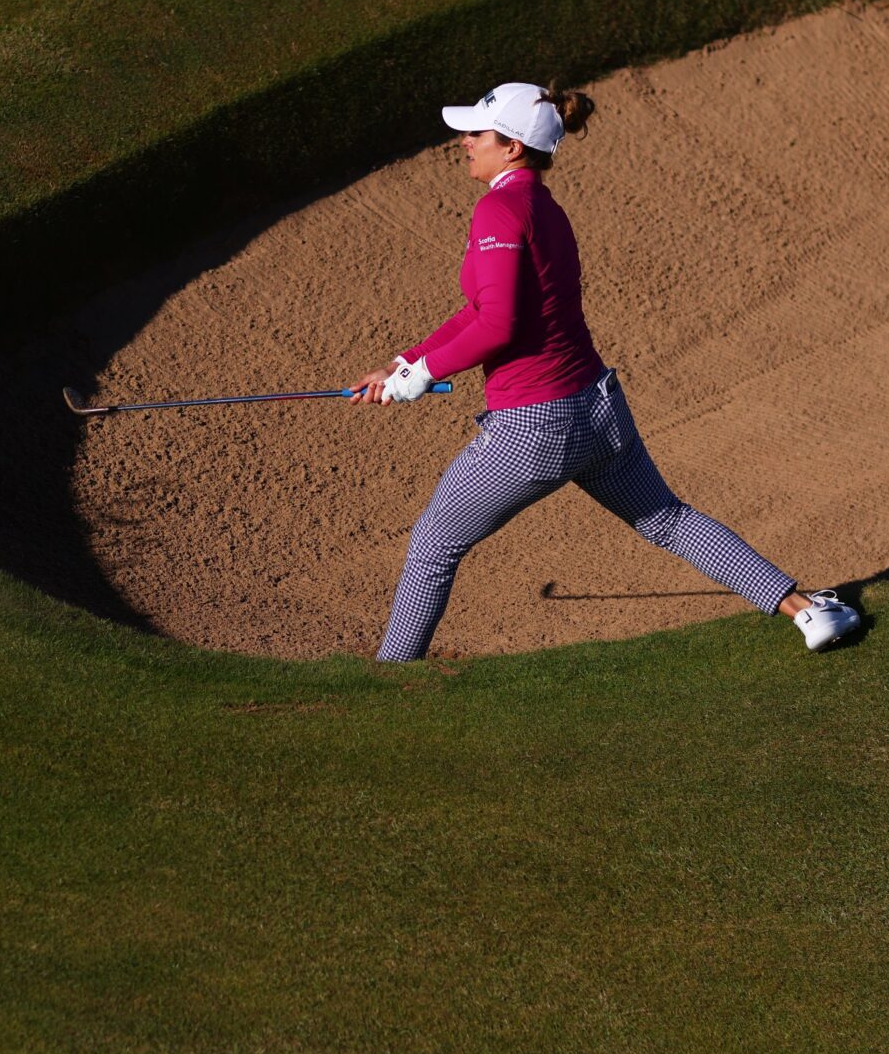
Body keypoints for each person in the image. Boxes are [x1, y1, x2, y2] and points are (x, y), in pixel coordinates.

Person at [350, 81, 861, 662]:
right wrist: (404, 363)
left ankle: (387, 683)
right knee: (667, 518)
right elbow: (479, 310)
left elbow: (497, 326)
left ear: (513, 146)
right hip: (597, 410)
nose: (464, 141)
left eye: (476, 133)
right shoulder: (544, 207)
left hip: (531, 429)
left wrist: (422, 377)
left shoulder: (499, 207)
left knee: (432, 548)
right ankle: (807, 613)